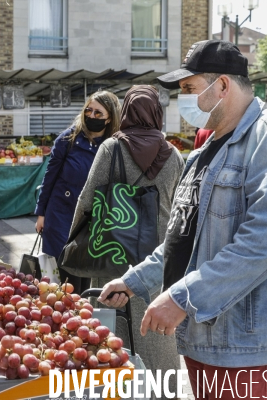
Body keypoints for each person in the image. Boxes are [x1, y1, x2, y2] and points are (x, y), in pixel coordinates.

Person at [100, 40, 267, 400]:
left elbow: (266, 239)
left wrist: (183, 298)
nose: (181, 100)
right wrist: (133, 280)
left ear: (223, 85)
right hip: (202, 339)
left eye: (188, 89)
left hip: (245, 346)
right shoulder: (202, 153)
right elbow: (182, 239)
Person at [71, 85, 184, 399]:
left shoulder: (111, 148)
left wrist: (75, 240)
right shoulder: (173, 154)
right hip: (158, 262)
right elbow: (182, 207)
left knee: (111, 328)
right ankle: (163, 392)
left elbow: (87, 199)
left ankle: (118, 390)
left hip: (112, 254)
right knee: (158, 332)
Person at [34, 91, 121, 294]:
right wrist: (41, 213)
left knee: (83, 274)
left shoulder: (113, 146)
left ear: (110, 118)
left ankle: (78, 317)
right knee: (62, 277)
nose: (91, 116)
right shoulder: (68, 139)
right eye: (88, 110)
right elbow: (50, 178)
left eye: (98, 113)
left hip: (92, 219)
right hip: (60, 215)